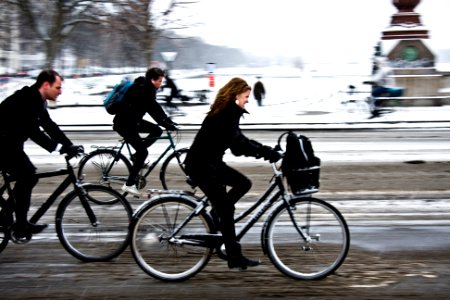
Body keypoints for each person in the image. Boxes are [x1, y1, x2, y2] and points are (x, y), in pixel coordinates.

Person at [184, 77, 281, 270]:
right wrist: (267, 153)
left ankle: (216, 213)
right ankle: (234, 256)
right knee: (227, 208)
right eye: (246, 96)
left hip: (210, 163)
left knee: (242, 184)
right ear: (236, 95)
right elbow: (238, 145)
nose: (247, 100)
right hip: (203, 166)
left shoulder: (228, 111)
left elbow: (238, 140)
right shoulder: (227, 113)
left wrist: (266, 150)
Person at [0, 69, 81, 238]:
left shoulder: (38, 100)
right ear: (46, 85)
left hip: (10, 144)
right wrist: (58, 148)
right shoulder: (28, 100)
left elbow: (49, 125)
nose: (60, 92)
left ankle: (8, 214)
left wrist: (69, 145)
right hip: (3, 145)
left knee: (28, 176)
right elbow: (32, 131)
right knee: (28, 175)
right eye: (58, 87)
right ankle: (20, 225)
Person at [113, 67, 178, 196]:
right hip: (125, 124)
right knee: (144, 152)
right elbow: (153, 111)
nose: (161, 83)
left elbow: (156, 107)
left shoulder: (147, 88)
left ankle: (136, 156)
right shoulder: (143, 90)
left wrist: (169, 121)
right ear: (152, 80)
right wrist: (167, 124)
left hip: (133, 121)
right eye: (159, 81)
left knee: (157, 130)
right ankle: (129, 184)